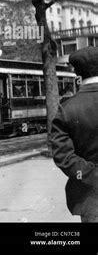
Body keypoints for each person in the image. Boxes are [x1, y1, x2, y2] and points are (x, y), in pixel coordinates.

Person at [50, 46, 98, 223]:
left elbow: (64, 157)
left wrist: (92, 176)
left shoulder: (67, 109)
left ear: (77, 75)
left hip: (90, 198)